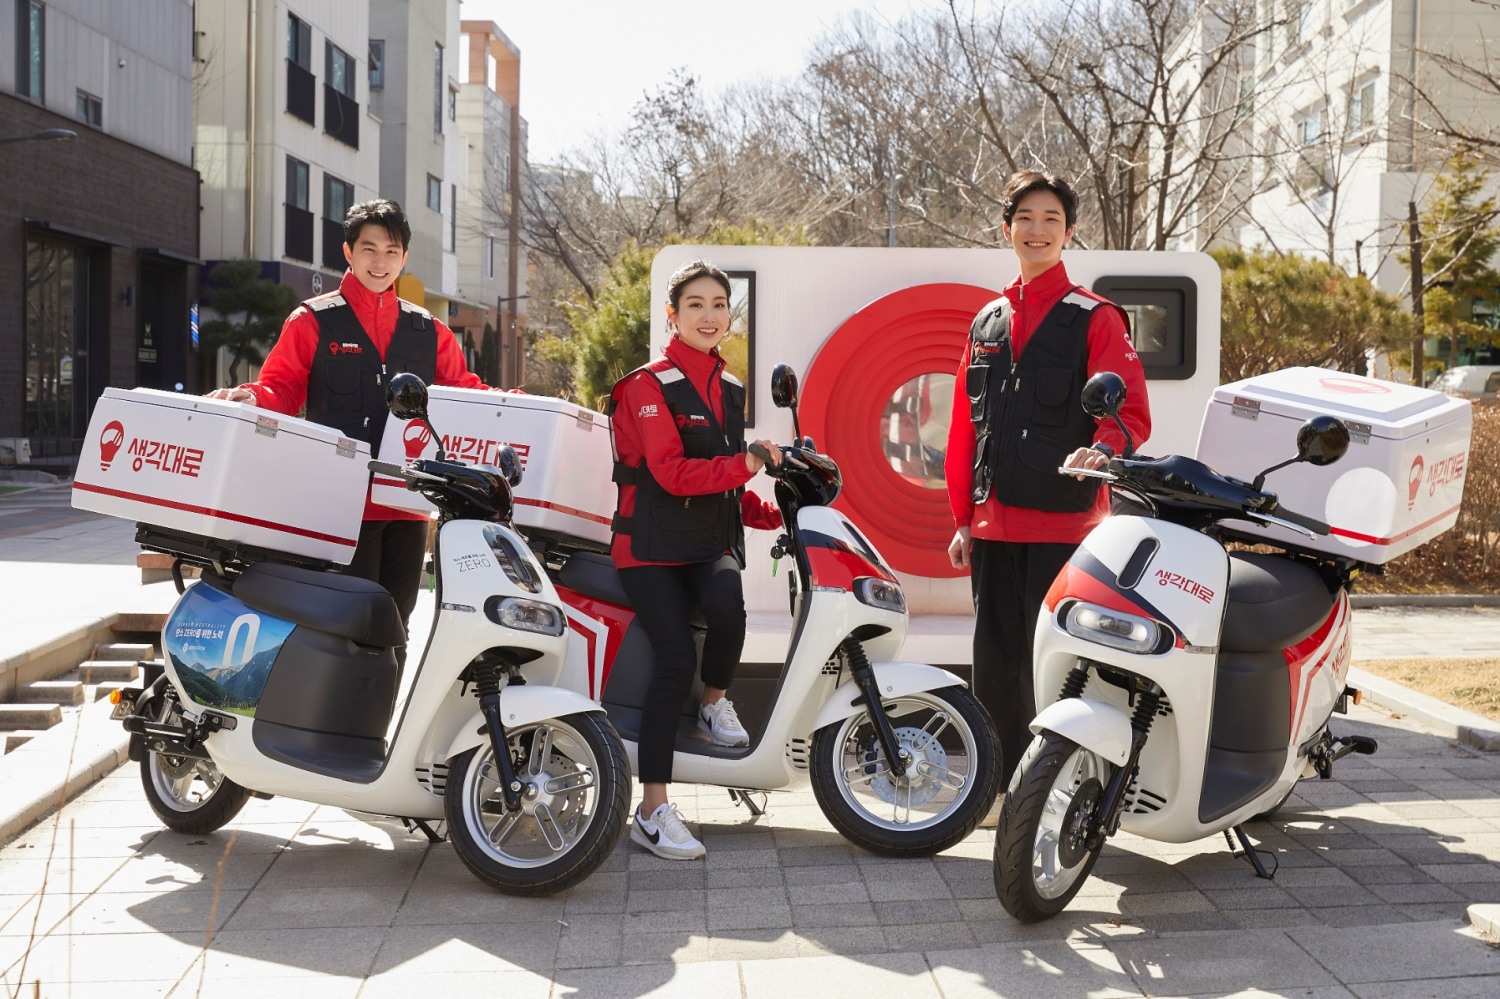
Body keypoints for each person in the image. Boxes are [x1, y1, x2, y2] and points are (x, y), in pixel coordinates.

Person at [944, 171, 1151, 818]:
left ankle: (1057, 795)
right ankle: (997, 791)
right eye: (1025, 218)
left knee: (1059, 668)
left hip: (1064, 526)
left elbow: (1129, 413)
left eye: (1051, 219)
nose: (1037, 230)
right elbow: (964, 425)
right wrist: (961, 517)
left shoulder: (1096, 316)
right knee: (994, 661)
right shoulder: (986, 320)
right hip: (991, 525)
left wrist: (1106, 449)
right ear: (1006, 228)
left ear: (1068, 232)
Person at [208, 199, 491, 660]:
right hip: (339, 502)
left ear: (404, 258)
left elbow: (467, 392)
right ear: (348, 252)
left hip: (408, 502)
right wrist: (252, 397)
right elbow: (281, 387)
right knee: (342, 625)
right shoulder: (313, 319)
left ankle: (376, 731)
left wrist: (521, 407)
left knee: (397, 624)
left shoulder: (429, 331)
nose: (380, 263)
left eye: (391, 251)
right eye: (369, 250)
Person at [608, 259, 783, 861]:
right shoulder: (644, 386)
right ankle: (652, 809)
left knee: (728, 606)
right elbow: (671, 472)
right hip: (649, 548)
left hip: (707, 541)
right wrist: (750, 464)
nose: (710, 316)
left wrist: (771, 512)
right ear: (672, 315)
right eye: (696, 305)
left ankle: (714, 705)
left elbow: (727, 478)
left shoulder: (729, 388)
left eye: (718, 305)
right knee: (675, 656)